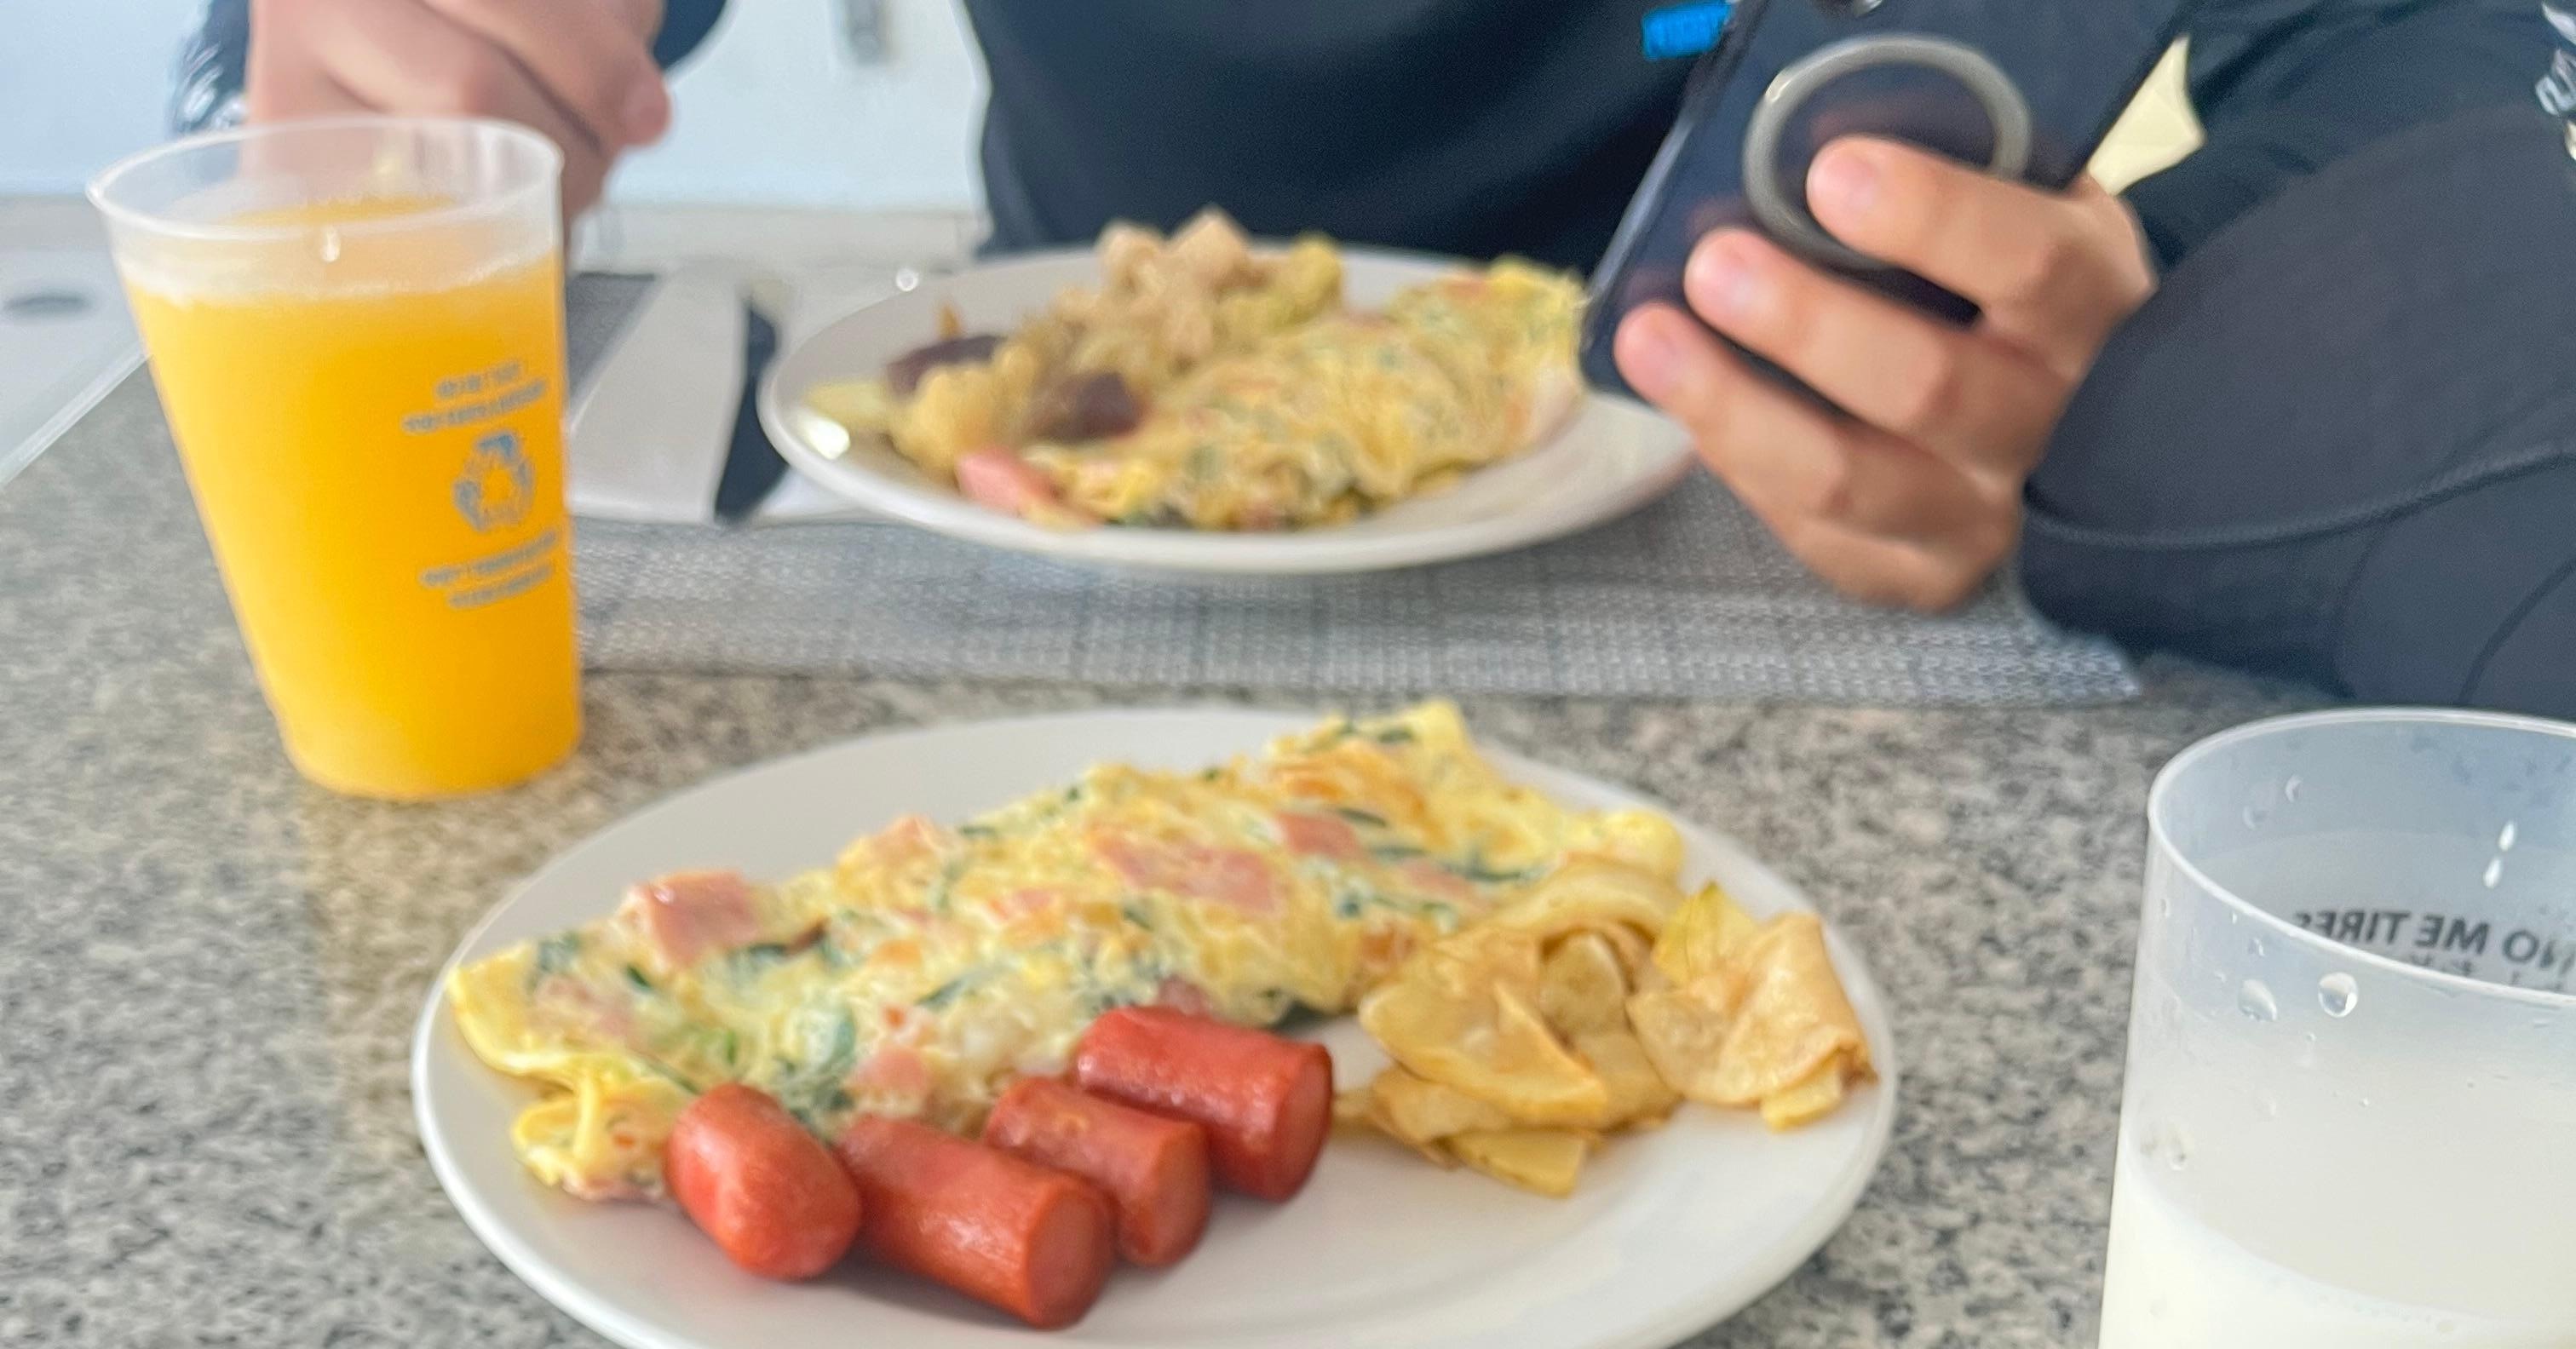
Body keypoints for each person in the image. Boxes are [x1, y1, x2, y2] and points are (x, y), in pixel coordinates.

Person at [181, 0, 2571, 689]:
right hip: (1011, 569)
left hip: (1766, 525)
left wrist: (2167, 334)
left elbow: (2438, 43)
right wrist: (352, 56)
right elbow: (295, 81)